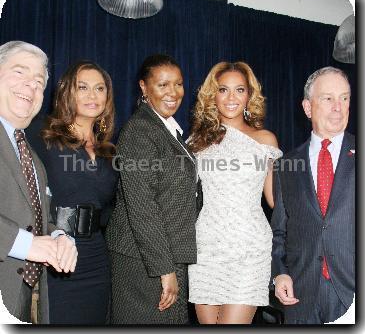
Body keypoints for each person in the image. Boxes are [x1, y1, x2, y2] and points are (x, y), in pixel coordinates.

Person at [105, 54, 201, 324]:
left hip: (165, 253)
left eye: (179, 84)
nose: (173, 92)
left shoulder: (169, 130)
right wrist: (164, 269)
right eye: (163, 85)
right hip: (142, 260)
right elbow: (142, 207)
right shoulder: (139, 131)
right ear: (144, 88)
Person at [187, 61, 282, 324]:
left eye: (239, 90)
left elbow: (275, 200)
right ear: (212, 95)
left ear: (249, 95)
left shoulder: (265, 140)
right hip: (206, 247)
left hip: (249, 249)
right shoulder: (196, 142)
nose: (231, 98)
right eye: (223, 90)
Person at [28, 61, 118, 324]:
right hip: (55, 256)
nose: (93, 95)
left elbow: (109, 209)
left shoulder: (109, 152)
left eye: (99, 88)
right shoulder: (41, 134)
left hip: (97, 258)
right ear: (67, 92)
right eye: (83, 87)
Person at [0, 41, 77, 324]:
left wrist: (59, 238)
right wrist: (26, 244)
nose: (30, 86)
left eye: (39, 82)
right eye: (19, 73)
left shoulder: (30, 155)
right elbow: (27, 238)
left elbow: (39, 219)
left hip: (27, 298)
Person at [271, 66, 354, 324]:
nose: (338, 107)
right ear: (307, 108)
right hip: (301, 296)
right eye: (328, 98)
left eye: (344, 98)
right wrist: (280, 274)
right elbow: (279, 233)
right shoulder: (286, 165)